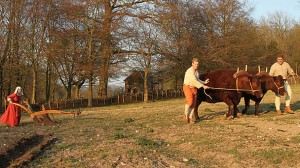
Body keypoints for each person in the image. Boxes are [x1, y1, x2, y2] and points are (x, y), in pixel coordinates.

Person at [183, 58, 209, 124]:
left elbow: (197, 80)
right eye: (195, 64)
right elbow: (193, 81)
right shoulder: (190, 71)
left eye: (197, 64)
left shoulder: (196, 72)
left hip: (194, 88)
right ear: (192, 64)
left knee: (194, 104)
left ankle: (190, 118)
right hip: (188, 87)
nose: (196, 65)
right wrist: (203, 86)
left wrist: (204, 82)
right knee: (190, 101)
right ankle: (186, 115)